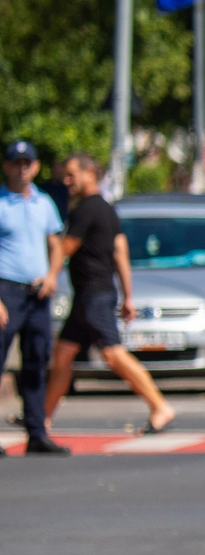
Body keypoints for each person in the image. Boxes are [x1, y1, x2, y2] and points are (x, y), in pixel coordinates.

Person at [46, 152, 179, 439]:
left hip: (94, 295)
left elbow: (65, 248)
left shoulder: (86, 209)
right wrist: (128, 296)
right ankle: (42, 417)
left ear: (89, 174)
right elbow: (121, 251)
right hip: (90, 295)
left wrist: (47, 275)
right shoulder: (107, 209)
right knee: (63, 355)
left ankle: (160, 406)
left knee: (113, 353)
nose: (67, 181)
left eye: (71, 175)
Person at [0, 139, 67, 454]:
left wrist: (52, 275)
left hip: (37, 292)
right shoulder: (1, 201)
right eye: (16, 163)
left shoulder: (44, 203)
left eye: (27, 163)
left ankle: (37, 433)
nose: (22, 169)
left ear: (36, 167)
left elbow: (56, 244)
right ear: (6, 166)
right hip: (6, 290)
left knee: (37, 361)